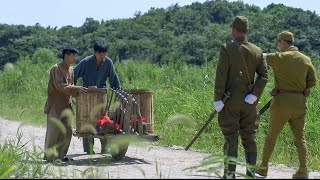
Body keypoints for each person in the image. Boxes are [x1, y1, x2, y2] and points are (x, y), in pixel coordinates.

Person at [256, 31, 317, 179]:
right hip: (299, 103)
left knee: (271, 136)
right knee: (299, 137)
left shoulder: (279, 57)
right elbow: (313, 81)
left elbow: (259, 56)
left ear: (283, 42)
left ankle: (263, 167)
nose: (277, 46)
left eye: (278, 43)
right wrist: (304, 89)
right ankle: (302, 170)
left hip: (281, 102)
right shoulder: (306, 59)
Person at [213, 16, 268, 179]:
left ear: (234, 30)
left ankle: (230, 175)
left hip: (229, 103)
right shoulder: (257, 50)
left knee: (231, 138)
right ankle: (250, 175)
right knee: (249, 138)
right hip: (249, 104)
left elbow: (221, 75)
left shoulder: (226, 48)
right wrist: (255, 94)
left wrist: (217, 98)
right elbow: (264, 76)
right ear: (246, 31)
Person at [74, 41, 121, 154]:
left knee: (103, 121)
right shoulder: (86, 62)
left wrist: (118, 92)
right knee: (88, 121)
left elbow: (113, 79)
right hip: (87, 97)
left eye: (104, 53)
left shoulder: (108, 62)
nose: (102, 56)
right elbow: (73, 75)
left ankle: (104, 148)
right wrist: (75, 91)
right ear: (95, 52)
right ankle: (89, 149)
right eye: (100, 53)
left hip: (101, 96)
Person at [44, 47, 88, 162]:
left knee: (67, 132)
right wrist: (76, 88)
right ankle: (49, 156)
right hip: (55, 105)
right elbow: (60, 86)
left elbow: (71, 88)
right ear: (66, 55)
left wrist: (80, 94)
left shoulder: (71, 70)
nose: (75, 58)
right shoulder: (56, 69)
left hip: (67, 106)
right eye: (73, 55)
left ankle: (61, 156)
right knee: (54, 132)